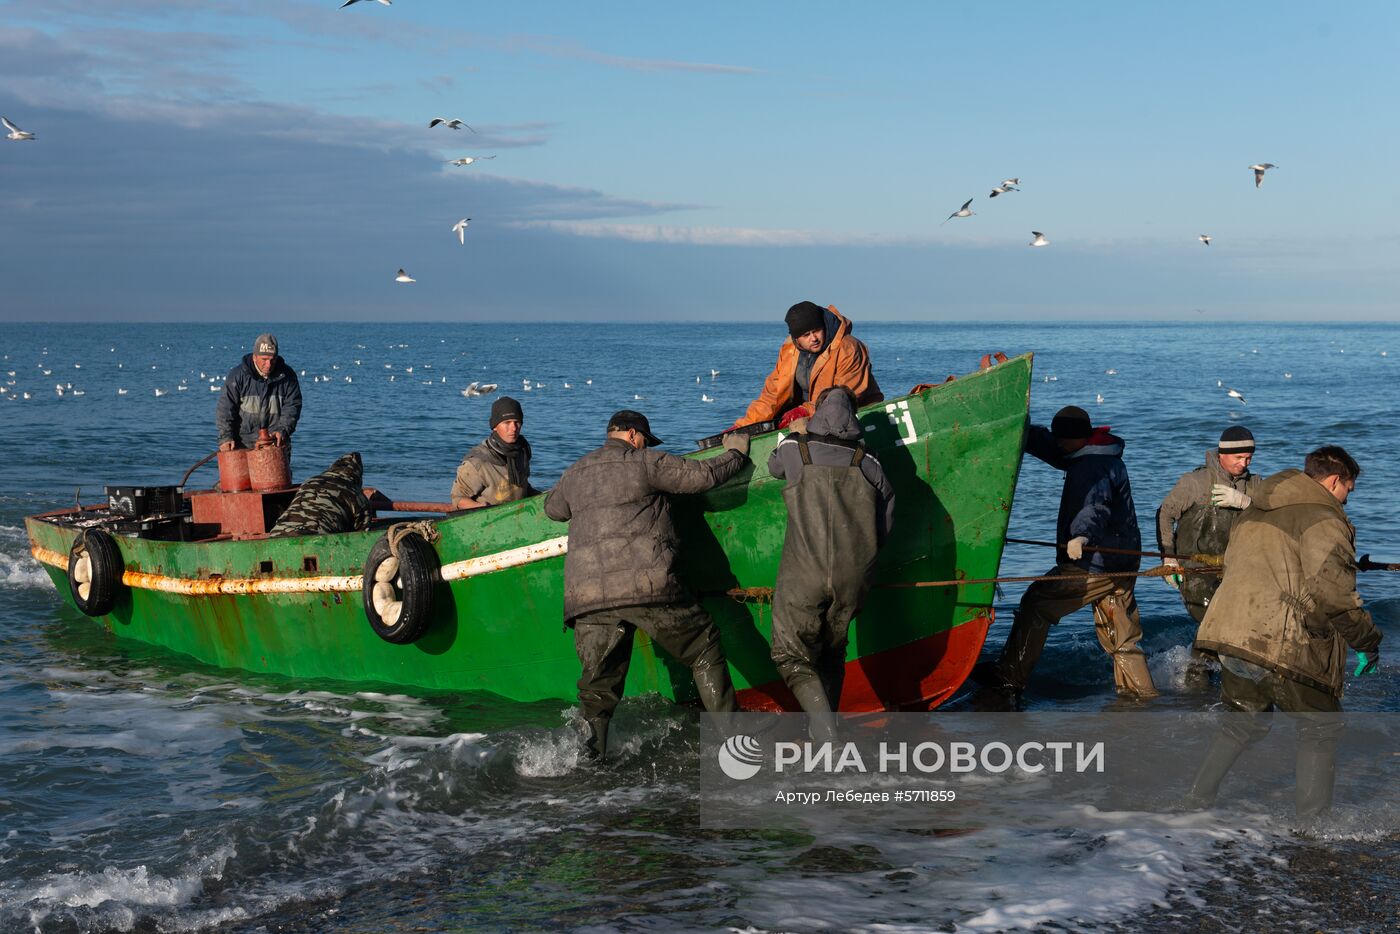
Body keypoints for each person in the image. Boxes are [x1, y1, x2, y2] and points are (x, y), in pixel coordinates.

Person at [1186, 446, 1382, 820]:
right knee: (1321, 728)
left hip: (1229, 633)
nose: (1347, 500)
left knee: (1242, 721)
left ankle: (1195, 802)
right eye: (1348, 491)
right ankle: (1313, 827)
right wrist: (1368, 641)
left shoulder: (1256, 509)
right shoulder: (1325, 519)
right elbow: (1335, 597)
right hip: (1279, 641)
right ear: (1334, 481)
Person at [544, 410, 751, 759]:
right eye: (644, 439)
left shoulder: (573, 473)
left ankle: (588, 764)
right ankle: (731, 739)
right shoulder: (644, 462)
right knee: (703, 648)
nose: (644, 444)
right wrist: (736, 453)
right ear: (633, 435)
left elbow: (553, 509)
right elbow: (702, 476)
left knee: (597, 692)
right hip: (648, 587)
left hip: (587, 599)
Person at [977, 405, 1157, 699]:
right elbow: (1055, 449)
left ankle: (1009, 677)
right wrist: (1022, 427)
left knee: (1037, 601)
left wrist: (1081, 536)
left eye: (1063, 439)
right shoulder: (1098, 453)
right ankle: (1143, 696)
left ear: (1076, 439)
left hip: (1094, 562)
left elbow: (1094, 506)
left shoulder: (1090, 468)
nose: (1059, 444)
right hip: (1123, 560)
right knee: (1122, 638)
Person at [767, 387, 895, 741]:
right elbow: (885, 524)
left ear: (819, 411)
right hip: (853, 577)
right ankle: (825, 732)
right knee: (833, 653)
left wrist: (797, 432)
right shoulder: (869, 464)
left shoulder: (797, 449)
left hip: (803, 573)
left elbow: (773, 466)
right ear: (854, 418)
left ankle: (826, 736)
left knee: (790, 655)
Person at [1157, 426, 1262, 625]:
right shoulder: (1195, 482)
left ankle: (1199, 655)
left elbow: (1271, 520)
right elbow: (1165, 514)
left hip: (1236, 568)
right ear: (1222, 454)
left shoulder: (1255, 484)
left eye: (1248, 458)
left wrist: (1247, 503)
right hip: (1195, 568)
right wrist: (1168, 557)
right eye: (1238, 457)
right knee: (1212, 621)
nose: (1244, 464)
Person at [732, 301, 883, 430]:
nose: (814, 338)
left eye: (816, 331)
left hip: (851, 417)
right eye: (806, 335)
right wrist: (744, 425)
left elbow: (845, 394)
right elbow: (773, 394)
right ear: (797, 339)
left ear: (824, 326)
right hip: (808, 417)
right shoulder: (790, 349)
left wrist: (805, 411)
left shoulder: (848, 347)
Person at [216, 332, 302, 453]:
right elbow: (225, 409)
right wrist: (225, 437)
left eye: (272, 360)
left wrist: (283, 430)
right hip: (243, 444)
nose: (269, 365)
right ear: (254, 357)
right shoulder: (237, 376)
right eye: (264, 359)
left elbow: (292, 407)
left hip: (275, 444)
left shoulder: (288, 376)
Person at [450, 396, 536, 509]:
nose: (513, 428)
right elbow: (458, 499)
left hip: (517, 518)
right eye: (507, 422)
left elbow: (522, 488)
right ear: (495, 426)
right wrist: (480, 506)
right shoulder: (477, 463)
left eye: (517, 422)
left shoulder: (522, 453)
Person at [268, 452, 370, 537]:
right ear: (357, 476)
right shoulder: (354, 492)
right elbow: (362, 534)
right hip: (316, 538)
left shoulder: (309, 481)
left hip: (277, 533)